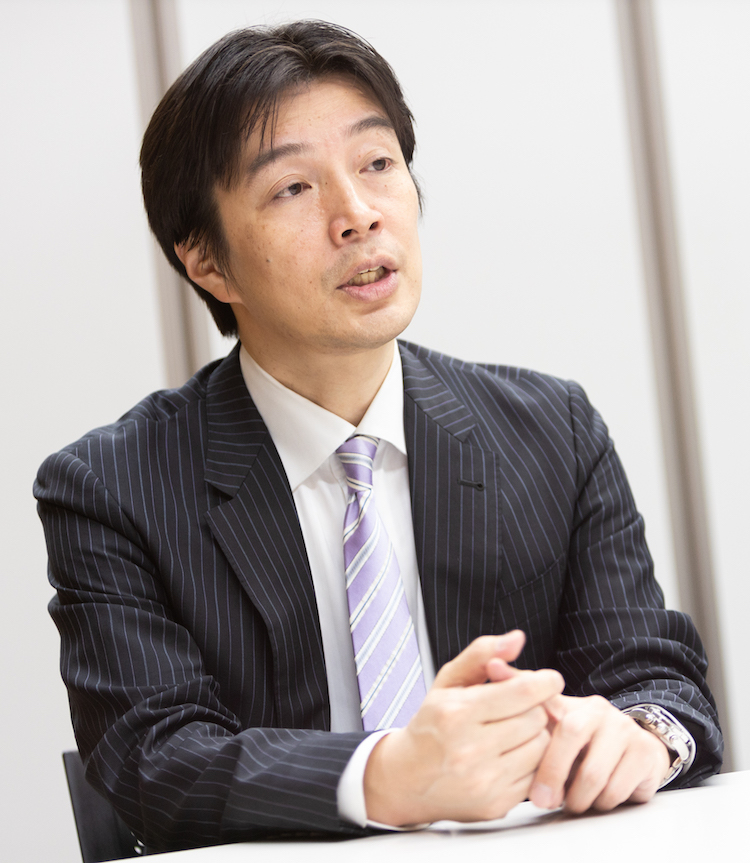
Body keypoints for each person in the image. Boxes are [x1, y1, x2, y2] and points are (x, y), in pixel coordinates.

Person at [35, 20, 721, 853]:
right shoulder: (111, 488)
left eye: (377, 164)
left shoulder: (553, 430)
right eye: (293, 187)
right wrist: (392, 773)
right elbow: (155, 760)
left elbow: (656, 675)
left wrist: (641, 733)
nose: (359, 215)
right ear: (206, 260)